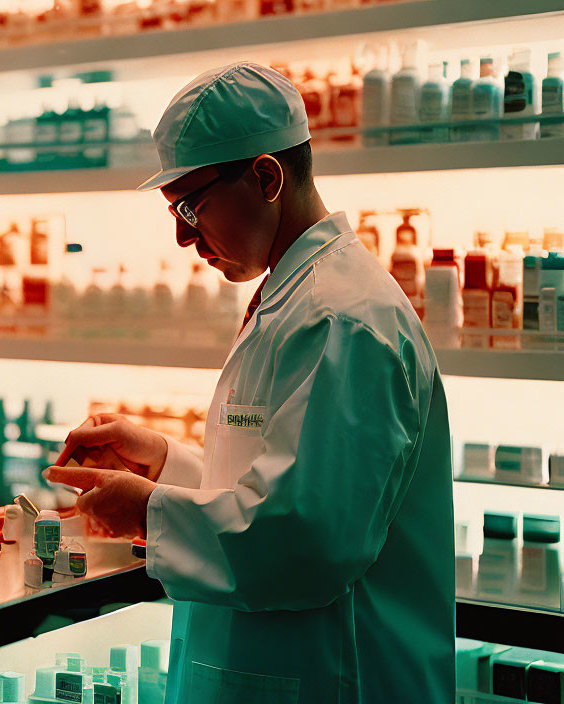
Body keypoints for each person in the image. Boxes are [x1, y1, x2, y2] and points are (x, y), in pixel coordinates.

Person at [44, 62, 454, 704]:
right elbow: (279, 485)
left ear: (266, 176)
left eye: (190, 204)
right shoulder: (297, 296)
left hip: (332, 678)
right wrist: (163, 462)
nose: (181, 235)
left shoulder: (342, 317)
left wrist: (146, 510)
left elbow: (306, 541)